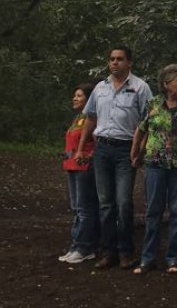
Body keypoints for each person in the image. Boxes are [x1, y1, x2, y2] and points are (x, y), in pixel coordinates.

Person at [75, 46, 153, 270]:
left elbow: (149, 122)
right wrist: (81, 149)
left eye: (119, 59)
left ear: (129, 62)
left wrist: (140, 150)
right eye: (111, 59)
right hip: (102, 148)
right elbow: (90, 118)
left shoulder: (140, 88)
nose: (115, 63)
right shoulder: (100, 88)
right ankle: (109, 252)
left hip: (126, 149)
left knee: (124, 203)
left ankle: (126, 251)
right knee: (105, 204)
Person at [130, 64, 177, 274]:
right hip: (155, 164)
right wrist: (134, 153)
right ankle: (147, 258)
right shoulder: (152, 104)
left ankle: (173, 259)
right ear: (166, 84)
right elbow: (141, 130)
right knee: (153, 212)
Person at [59, 82, 99, 264]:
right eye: (75, 95)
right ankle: (76, 245)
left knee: (84, 208)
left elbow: (97, 142)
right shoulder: (78, 118)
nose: (74, 99)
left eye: (79, 96)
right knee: (77, 208)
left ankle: (85, 247)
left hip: (85, 168)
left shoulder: (93, 119)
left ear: (89, 99)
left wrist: (89, 157)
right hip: (72, 166)